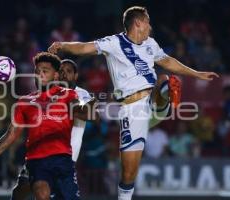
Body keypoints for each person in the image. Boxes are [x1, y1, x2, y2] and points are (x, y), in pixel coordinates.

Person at [48, 6, 219, 200]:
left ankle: (168, 91)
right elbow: (85, 47)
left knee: (163, 77)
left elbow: (169, 61)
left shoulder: (151, 44)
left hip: (152, 102)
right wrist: (62, 45)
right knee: (129, 174)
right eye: (147, 21)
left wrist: (196, 73)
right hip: (132, 109)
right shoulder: (113, 42)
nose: (150, 26)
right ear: (138, 22)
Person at [0, 52, 96, 200]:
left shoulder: (68, 95)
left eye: (45, 71)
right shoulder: (24, 102)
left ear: (55, 76)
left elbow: (91, 115)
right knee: (40, 193)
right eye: (37, 71)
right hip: (37, 160)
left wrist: (91, 103)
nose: (39, 74)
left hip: (62, 161)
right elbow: (11, 135)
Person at [11, 58, 94, 200]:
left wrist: (90, 103)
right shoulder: (50, 93)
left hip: (67, 154)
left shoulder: (79, 93)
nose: (64, 75)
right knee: (23, 187)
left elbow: (89, 113)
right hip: (42, 154)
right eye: (61, 71)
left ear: (75, 76)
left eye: (68, 71)